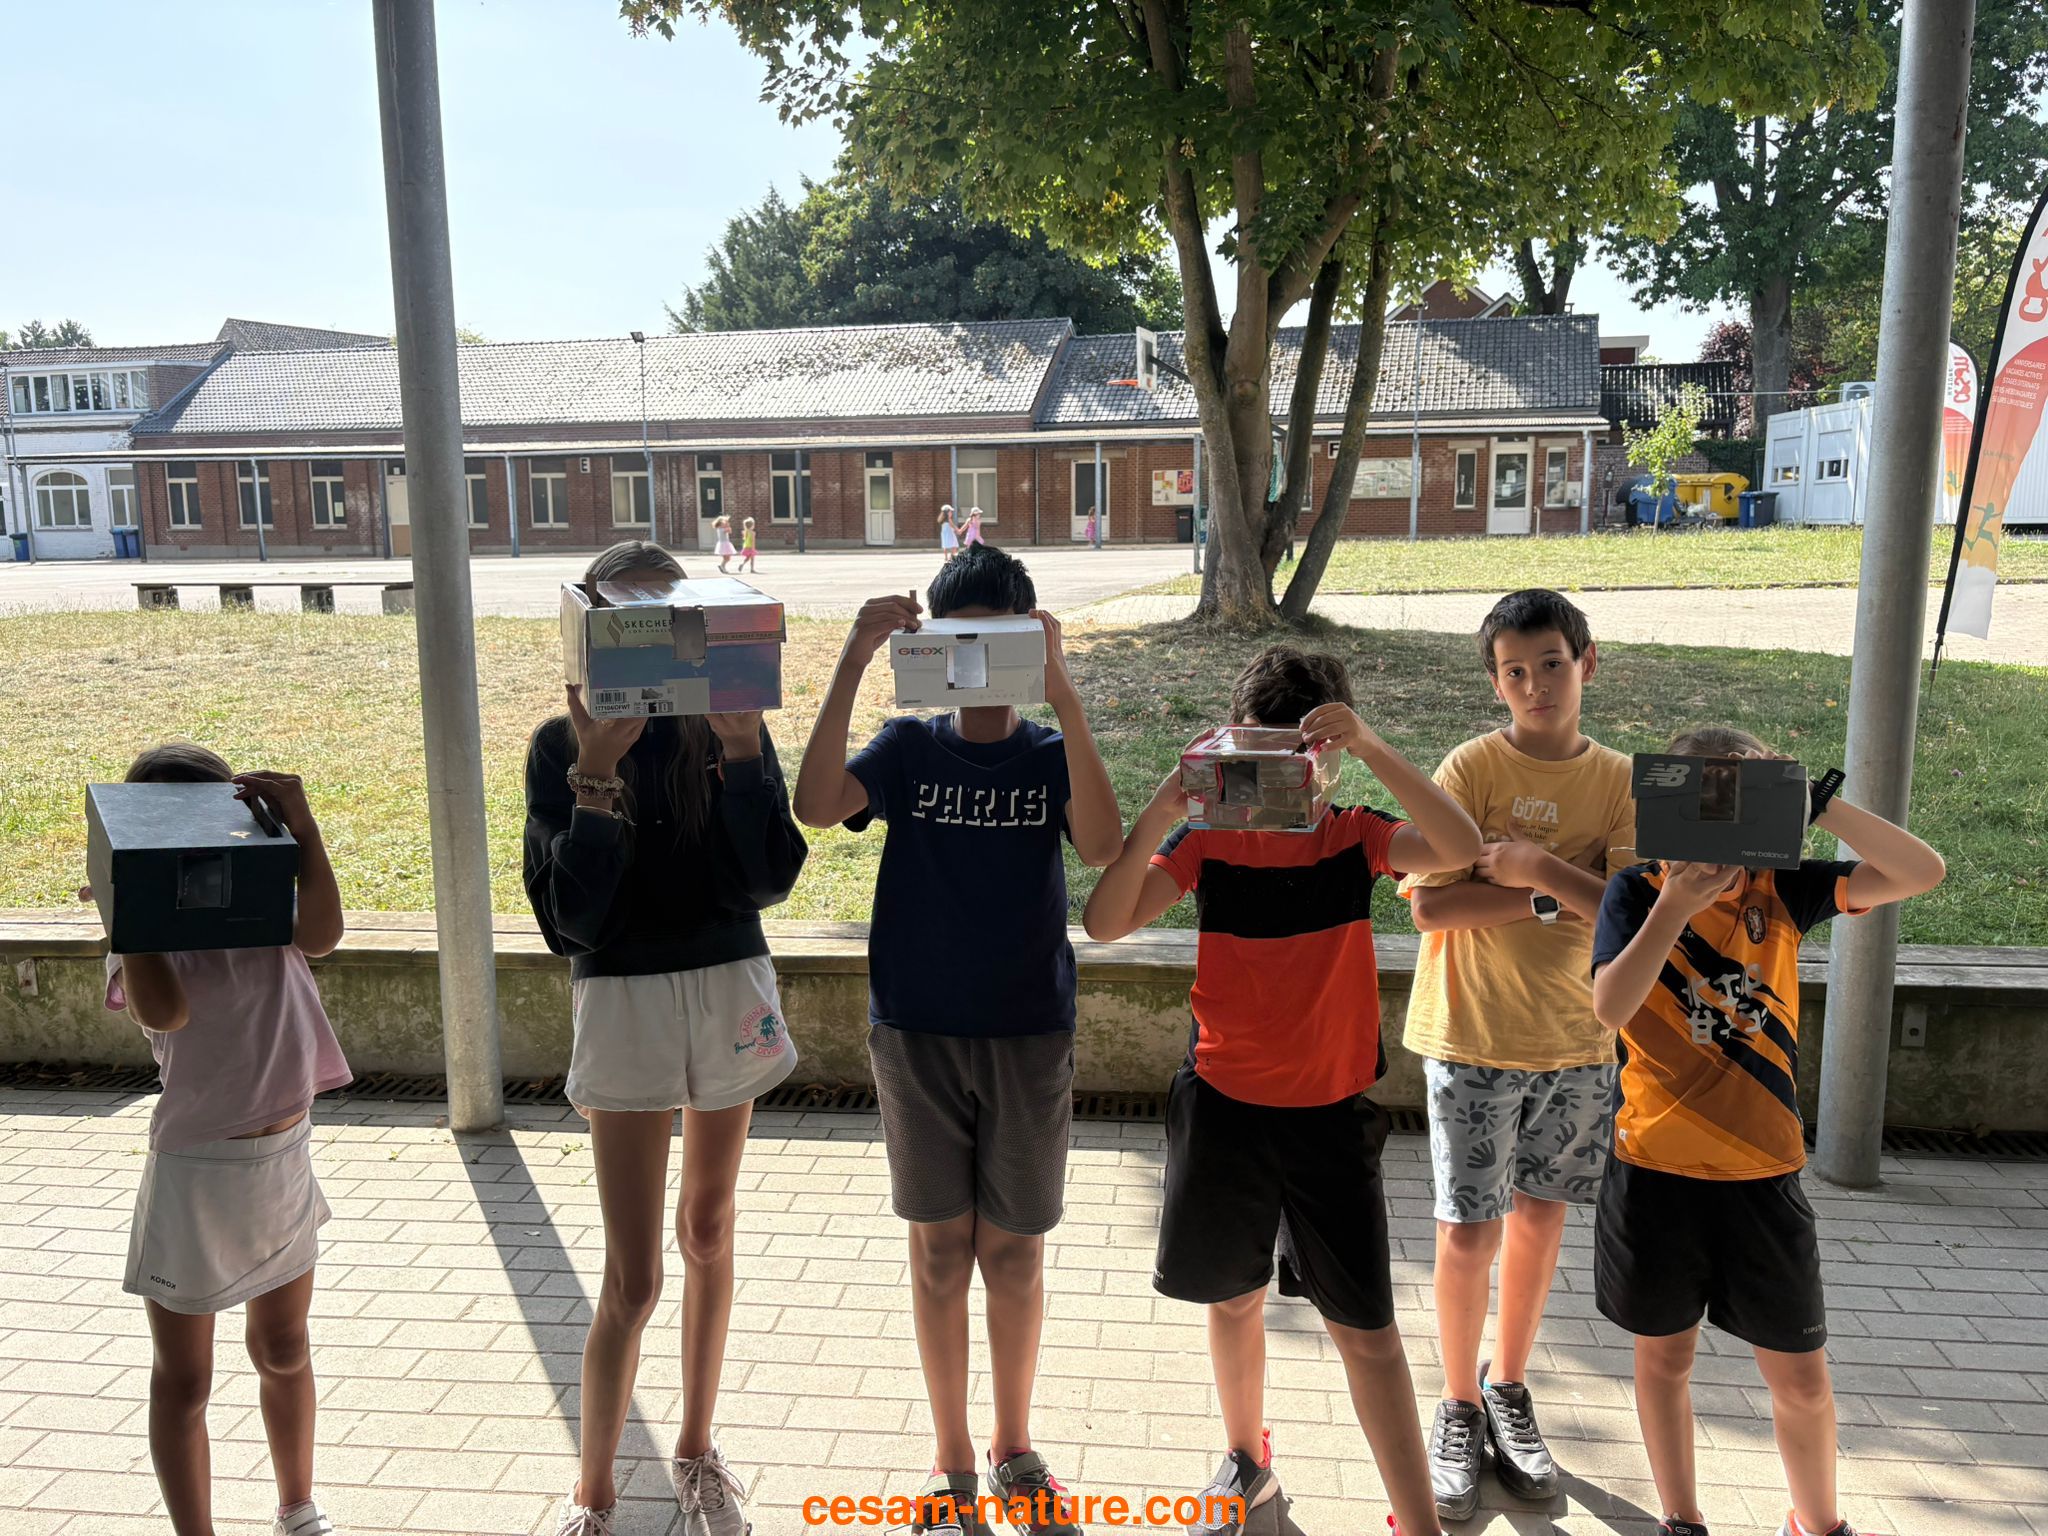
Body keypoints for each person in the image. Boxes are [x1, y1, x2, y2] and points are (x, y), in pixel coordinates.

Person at [1084, 646, 1483, 1536]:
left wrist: (1371, 745)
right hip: (1224, 1109)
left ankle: (1416, 1519)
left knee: (1368, 1332)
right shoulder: (1207, 841)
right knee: (1232, 1298)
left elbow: (1459, 848)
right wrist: (1165, 807)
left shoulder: (1356, 834)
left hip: (1329, 1122)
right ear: (1235, 747)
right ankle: (1246, 1463)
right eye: (1261, 752)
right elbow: (1105, 922)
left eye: (1306, 753)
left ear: (1329, 756)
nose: (1288, 774)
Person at [793, 543, 1124, 1536]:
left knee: (1013, 1255)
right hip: (916, 1030)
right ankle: (950, 1461)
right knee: (939, 1252)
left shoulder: (1048, 753)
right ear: (933, 644)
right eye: (959, 640)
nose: (979, 660)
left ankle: (1014, 1448)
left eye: (1001, 639)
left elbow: (1102, 846)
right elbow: (816, 807)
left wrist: (1066, 698)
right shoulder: (907, 748)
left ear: (1030, 637)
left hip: (1027, 1031)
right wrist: (852, 661)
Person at [1590, 727, 1947, 1536]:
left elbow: (1921, 872)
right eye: (1702, 802)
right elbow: (1610, 1007)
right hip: (1655, 1171)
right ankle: (1681, 1517)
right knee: (1664, 1359)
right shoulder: (1637, 891)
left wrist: (1818, 809)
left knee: (1803, 1380)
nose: (1718, 828)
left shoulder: (1780, 887)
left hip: (1762, 1174)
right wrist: (1675, 906)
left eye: (1740, 803)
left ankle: (1817, 1523)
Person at [525, 540, 809, 1536]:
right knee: (634, 1275)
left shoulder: (727, 722)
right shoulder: (560, 744)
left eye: (669, 624)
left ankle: (695, 1449)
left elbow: (767, 881)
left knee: (709, 1227)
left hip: (726, 982)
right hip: (623, 1000)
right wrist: (595, 776)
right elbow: (571, 923)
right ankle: (594, 1492)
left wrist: (744, 757)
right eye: (624, 627)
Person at [1398, 590, 1636, 1521]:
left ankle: (1508, 1386)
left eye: (1551, 663)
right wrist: (1549, 894)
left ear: (1588, 662)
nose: (1535, 684)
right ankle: (1458, 1402)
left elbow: (1628, 908)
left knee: (1541, 1220)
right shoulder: (1471, 767)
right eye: (1514, 671)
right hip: (1472, 1035)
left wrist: (1533, 866)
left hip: (1579, 1040)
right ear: (1495, 682)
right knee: (1468, 1230)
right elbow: (1431, 906)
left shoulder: (1620, 780)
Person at [96, 743, 351, 1536]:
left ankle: (298, 1508)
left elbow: (324, 934)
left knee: (284, 1347)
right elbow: (165, 1013)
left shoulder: (257, 896)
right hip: (196, 1173)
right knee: (185, 1380)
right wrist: (133, 909)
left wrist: (302, 828)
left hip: (282, 1156)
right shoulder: (141, 932)